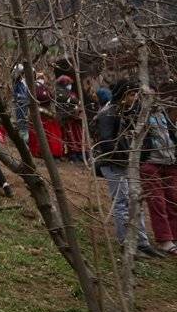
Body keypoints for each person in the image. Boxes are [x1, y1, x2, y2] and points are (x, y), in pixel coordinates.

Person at [93, 80, 163, 258]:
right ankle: (126, 244)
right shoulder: (108, 114)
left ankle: (142, 242)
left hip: (130, 164)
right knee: (122, 202)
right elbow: (107, 143)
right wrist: (127, 153)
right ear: (122, 95)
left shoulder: (135, 113)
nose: (134, 98)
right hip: (113, 163)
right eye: (131, 94)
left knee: (135, 201)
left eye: (135, 94)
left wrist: (140, 156)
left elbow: (146, 136)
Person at [141, 102, 177, 256]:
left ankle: (174, 236)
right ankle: (164, 240)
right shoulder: (138, 115)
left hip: (169, 162)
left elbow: (171, 135)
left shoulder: (163, 114)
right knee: (157, 201)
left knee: (173, 199)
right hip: (151, 163)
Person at [54, 75, 85, 163]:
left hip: (75, 119)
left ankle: (80, 153)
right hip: (66, 119)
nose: (70, 85)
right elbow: (66, 99)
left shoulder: (70, 92)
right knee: (69, 136)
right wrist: (74, 101)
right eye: (68, 84)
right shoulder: (59, 91)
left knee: (77, 136)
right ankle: (72, 154)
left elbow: (76, 101)